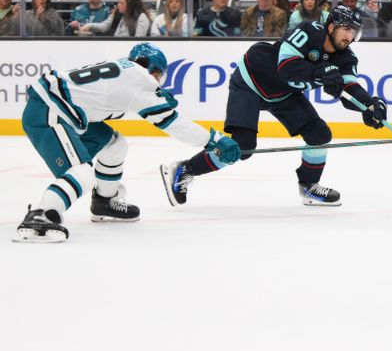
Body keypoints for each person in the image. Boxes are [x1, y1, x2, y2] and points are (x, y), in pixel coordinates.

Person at [160, 6, 386, 208]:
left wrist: (369, 105)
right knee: (242, 146)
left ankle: (309, 186)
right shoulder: (308, 31)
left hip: (283, 93)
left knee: (319, 134)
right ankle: (185, 169)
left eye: (353, 31)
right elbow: (286, 69)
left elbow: (349, 90)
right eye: (346, 29)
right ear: (331, 26)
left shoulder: (346, 58)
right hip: (251, 80)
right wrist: (320, 72)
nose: (350, 36)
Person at [14, 43, 240, 242]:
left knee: (114, 145)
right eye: (158, 76)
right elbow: (171, 123)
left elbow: (105, 105)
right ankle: (42, 213)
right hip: (50, 111)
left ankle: (104, 201)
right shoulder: (140, 78)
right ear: (151, 68)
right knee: (82, 172)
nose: (157, 81)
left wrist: (156, 96)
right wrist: (213, 140)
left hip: (60, 109)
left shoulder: (122, 68)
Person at [80, 0, 152, 37]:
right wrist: (89, 26)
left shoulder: (142, 17)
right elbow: (104, 26)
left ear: (130, 5)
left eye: (121, 3)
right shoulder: (118, 13)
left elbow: (138, 41)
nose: (118, 5)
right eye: (118, 2)